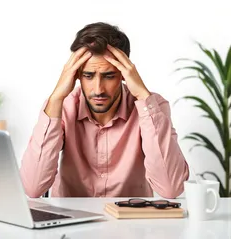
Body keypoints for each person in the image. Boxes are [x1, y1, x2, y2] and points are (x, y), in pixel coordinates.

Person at [19, 22, 189, 199]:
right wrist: (56, 98)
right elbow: (32, 188)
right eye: (88, 75)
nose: (98, 89)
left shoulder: (152, 107)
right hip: (69, 223)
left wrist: (142, 94)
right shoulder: (61, 107)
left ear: (124, 74)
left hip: (129, 223)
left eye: (109, 76)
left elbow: (171, 188)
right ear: (76, 74)